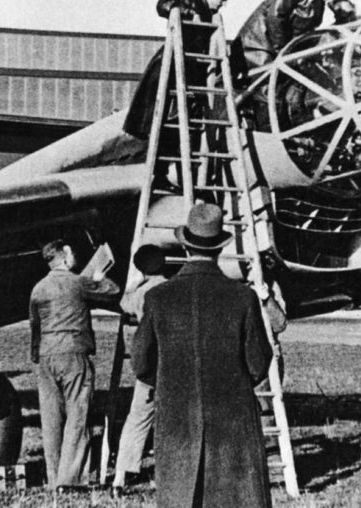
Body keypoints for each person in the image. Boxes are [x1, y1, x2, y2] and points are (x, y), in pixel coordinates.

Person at [131, 204, 274, 508]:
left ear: (185, 245)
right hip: (233, 423)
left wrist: (169, 381)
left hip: (177, 420)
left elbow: (140, 363)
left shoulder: (157, 297)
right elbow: (259, 364)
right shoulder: (243, 297)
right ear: (220, 248)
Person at [30, 238, 119, 491]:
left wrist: (37, 355)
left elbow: (35, 326)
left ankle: (53, 475)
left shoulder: (38, 288)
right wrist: (100, 277)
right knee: (77, 416)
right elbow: (112, 291)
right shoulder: (78, 282)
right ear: (66, 255)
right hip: (73, 352)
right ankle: (69, 480)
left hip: (47, 355)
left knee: (51, 419)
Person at [123, 0, 234, 140]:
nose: (223, 4)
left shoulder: (211, 15)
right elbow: (161, 5)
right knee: (157, 117)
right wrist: (188, 12)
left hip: (189, 67)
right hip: (171, 63)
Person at [111, 245, 168, 497]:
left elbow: (124, 304)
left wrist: (134, 284)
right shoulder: (172, 289)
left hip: (148, 363)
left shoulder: (140, 294)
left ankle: (121, 476)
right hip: (171, 361)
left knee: (137, 420)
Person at [236, 0, 358, 71]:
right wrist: (284, 51)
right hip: (259, 42)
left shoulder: (321, 2)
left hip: (279, 47)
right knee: (266, 85)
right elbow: (275, 16)